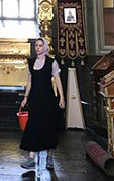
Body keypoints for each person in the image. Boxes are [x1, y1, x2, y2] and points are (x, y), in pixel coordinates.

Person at [20, 37, 65, 171]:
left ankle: (50, 158)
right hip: (35, 99)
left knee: (49, 126)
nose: (38, 48)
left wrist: (62, 98)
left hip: (48, 99)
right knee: (33, 125)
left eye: (40, 45)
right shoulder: (31, 62)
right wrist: (25, 97)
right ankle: (31, 157)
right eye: (36, 46)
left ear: (45, 47)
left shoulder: (52, 62)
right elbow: (29, 82)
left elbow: (58, 80)